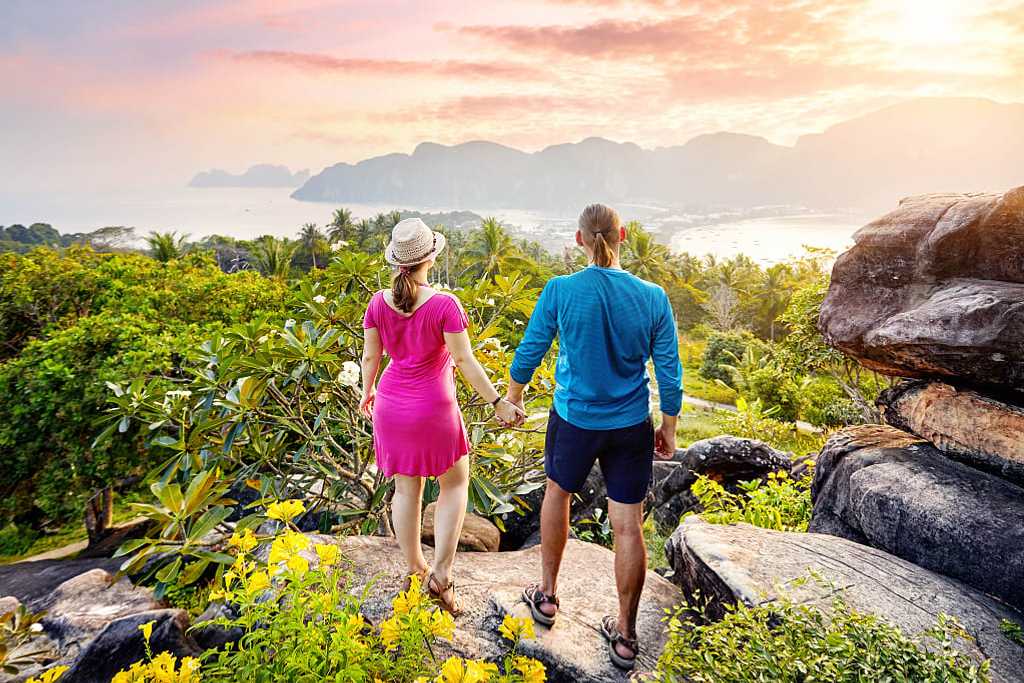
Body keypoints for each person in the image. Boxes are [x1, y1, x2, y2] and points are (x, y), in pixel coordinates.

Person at [505, 204, 682, 670]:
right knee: (628, 524)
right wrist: (669, 425)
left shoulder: (562, 290)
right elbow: (668, 370)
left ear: (579, 239)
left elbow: (531, 349)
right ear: (623, 235)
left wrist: (513, 398)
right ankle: (625, 636)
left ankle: (546, 597)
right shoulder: (652, 296)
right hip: (629, 426)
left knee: (557, 494)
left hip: (575, 420)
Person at [360, 217, 523, 615]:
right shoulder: (444, 304)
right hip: (434, 408)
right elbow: (465, 361)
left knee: (405, 491)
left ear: (397, 261)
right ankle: (442, 574)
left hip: (392, 405)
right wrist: (498, 402)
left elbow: (370, 357)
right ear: (430, 257)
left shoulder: (378, 302)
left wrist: (367, 393)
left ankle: (413, 568)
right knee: (454, 484)